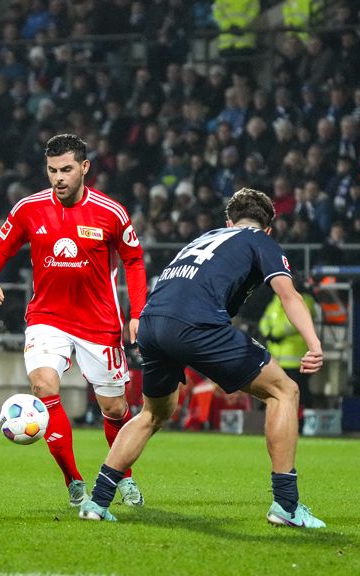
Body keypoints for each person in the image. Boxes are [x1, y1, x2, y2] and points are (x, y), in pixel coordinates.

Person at [79, 188, 326, 528]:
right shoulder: (258, 239)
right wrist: (313, 343)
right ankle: (286, 505)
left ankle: (97, 501)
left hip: (152, 323)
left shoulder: (205, 238)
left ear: (228, 221)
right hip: (194, 323)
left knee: (153, 413)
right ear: (268, 229)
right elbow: (289, 294)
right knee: (284, 391)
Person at [0, 134, 148, 507]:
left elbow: (134, 261)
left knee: (115, 409)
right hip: (47, 317)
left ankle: (124, 477)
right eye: (53, 170)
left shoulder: (111, 212)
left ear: (84, 168)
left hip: (98, 322)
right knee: (43, 389)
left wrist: (137, 313)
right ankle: (73, 481)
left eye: (67, 169)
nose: (59, 178)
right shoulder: (29, 208)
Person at [259, 278, 317, 413]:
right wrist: (268, 332)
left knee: (299, 392)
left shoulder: (305, 300)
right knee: (276, 392)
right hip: (276, 359)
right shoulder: (275, 300)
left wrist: (276, 333)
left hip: (296, 359)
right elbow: (265, 320)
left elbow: (294, 322)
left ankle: (303, 423)